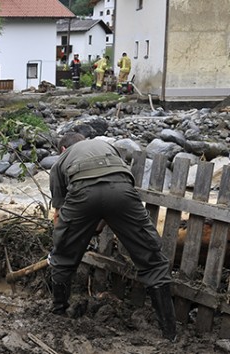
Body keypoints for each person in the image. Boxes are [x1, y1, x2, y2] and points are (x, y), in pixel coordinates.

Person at [48, 132, 177, 342]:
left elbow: (61, 211)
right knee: (153, 261)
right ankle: (170, 333)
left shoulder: (61, 162)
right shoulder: (106, 146)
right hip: (122, 191)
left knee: (62, 259)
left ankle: (59, 313)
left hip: (81, 193)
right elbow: (111, 190)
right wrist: (97, 221)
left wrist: (61, 244)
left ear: (63, 149)